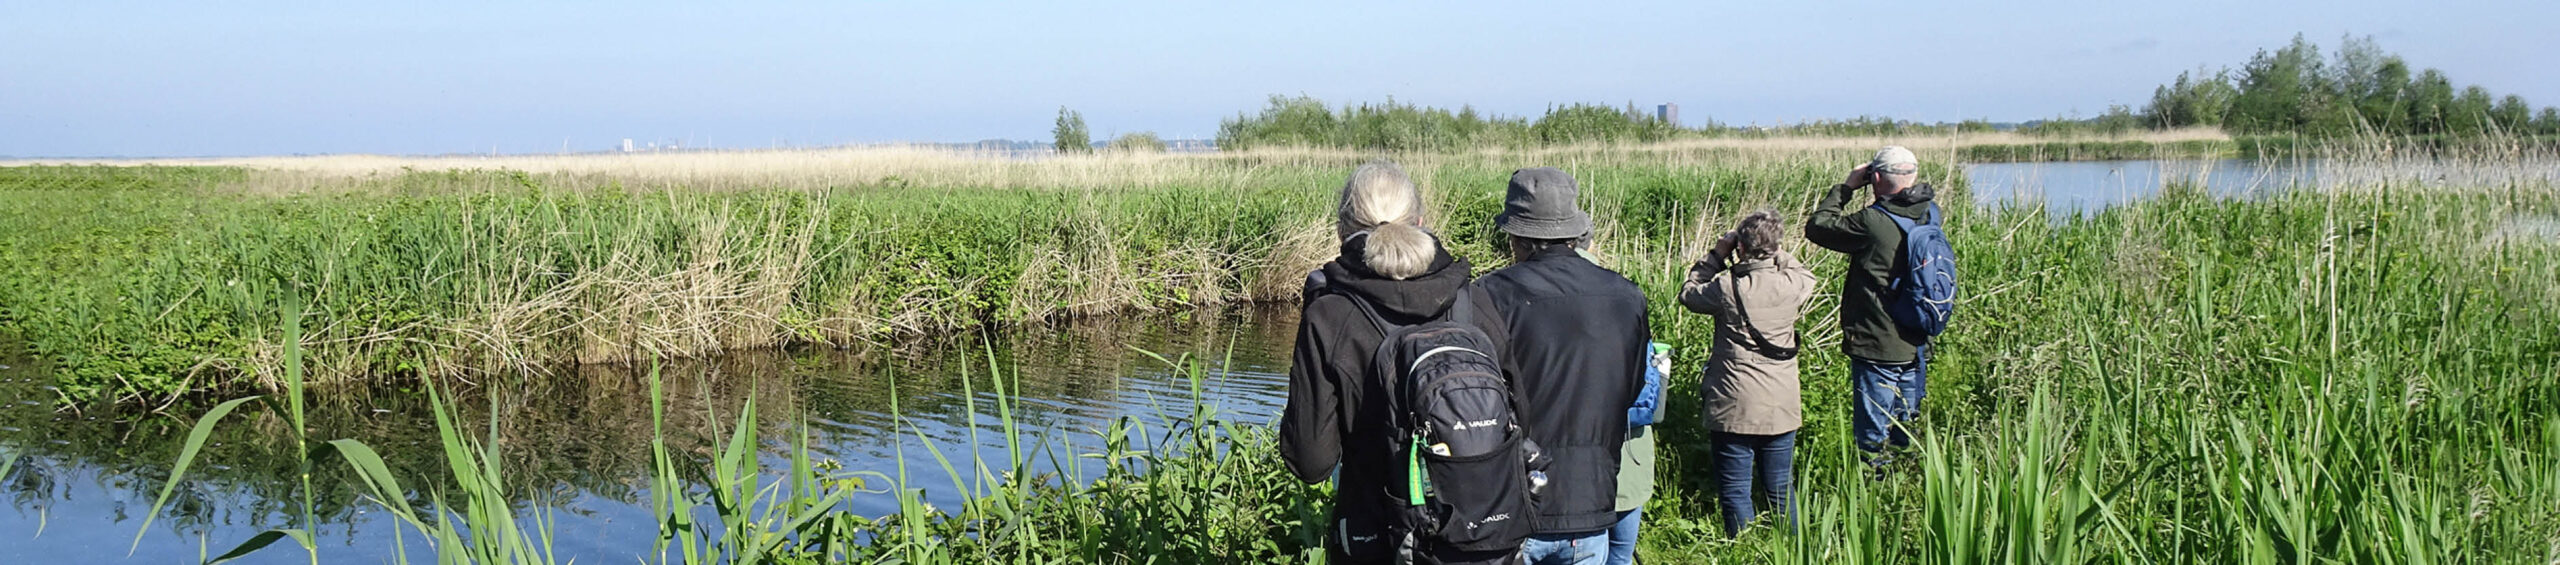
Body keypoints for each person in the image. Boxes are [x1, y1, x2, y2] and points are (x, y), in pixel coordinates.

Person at [1280, 161, 1517, 564]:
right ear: (1421, 221)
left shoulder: (1331, 316)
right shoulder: (1473, 301)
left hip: (1375, 537)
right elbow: (1518, 419)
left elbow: (1311, 462)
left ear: (1342, 230)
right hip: (1474, 536)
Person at [1474, 167, 1650, 565]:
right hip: (1593, 499)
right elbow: (1634, 388)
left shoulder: (1488, 296)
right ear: (1573, 230)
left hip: (1515, 504)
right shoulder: (1626, 296)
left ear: (1517, 235)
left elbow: (1478, 403)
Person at [1679, 210, 1816, 536]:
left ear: (1740, 246)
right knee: (1781, 488)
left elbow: (1688, 293)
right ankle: (1794, 551)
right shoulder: (1792, 284)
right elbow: (1804, 272)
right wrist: (1772, 248)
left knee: (1736, 489)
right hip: (1780, 403)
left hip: (1734, 403)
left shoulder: (1726, 286)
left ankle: (1742, 550)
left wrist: (1716, 254)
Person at [1804, 146, 1939, 462]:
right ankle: (1905, 489)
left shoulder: (1872, 221)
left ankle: (1873, 494)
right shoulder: (1932, 212)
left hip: (1878, 342)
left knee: (1872, 437)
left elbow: (1818, 227)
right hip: (1918, 339)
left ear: (1875, 177)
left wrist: (1847, 187)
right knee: (1905, 428)